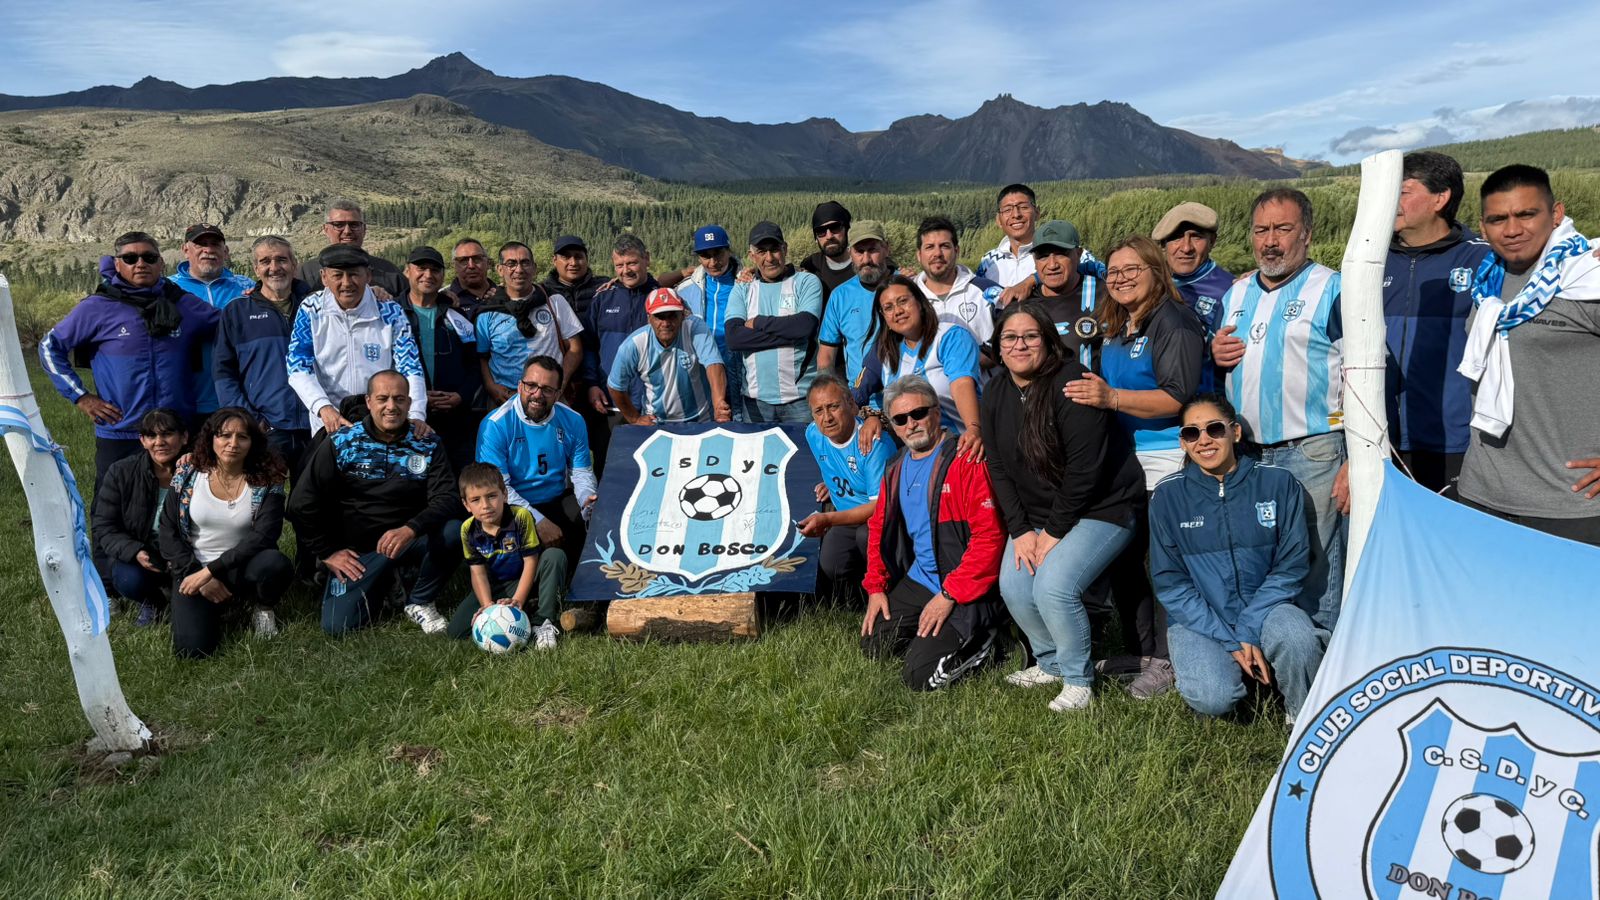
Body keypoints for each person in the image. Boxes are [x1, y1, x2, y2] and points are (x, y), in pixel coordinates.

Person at [1063, 234, 1206, 698]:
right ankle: (1141, 651)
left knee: (1164, 562)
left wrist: (1111, 398)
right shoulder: (1119, 324)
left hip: (1167, 458)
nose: (1121, 279)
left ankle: (1170, 659)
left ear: (1155, 271)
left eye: (1132, 269)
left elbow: (1178, 395)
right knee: (1126, 560)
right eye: (1114, 272)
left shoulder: (1174, 320)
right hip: (1125, 460)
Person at [983, 302, 1144, 711]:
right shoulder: (996, 390)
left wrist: (1051, 534)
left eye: (1030, 336)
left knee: (1053, 586)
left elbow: (1085, 472)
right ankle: (1050, 662)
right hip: (1038, 516)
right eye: (1010, 337)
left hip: (1102, 508)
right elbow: (997, 465)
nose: (1020, 345)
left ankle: (1077, 680)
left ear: (1048, 341)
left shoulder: (1070, 381)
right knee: (1015, 585)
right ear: (998, 346)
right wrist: (1021, 530)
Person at [1211, 188, 1347, 631]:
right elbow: (1220, 363)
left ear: (1306, 234)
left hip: (1313, 450)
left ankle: (1321, 654)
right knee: (1257, 557)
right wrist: (1214, 354)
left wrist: (1358, 458)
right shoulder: (1235, 294)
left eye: (1283, 229)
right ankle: (1270, 647)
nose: (1270, 241)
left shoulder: (1333, 289)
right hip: (1247, 454)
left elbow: (1363, 376)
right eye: (1261, 230)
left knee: (1317, 563)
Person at [1149, 394, 1327, 723]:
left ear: (1235, 432)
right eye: (1192, 433)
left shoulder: (1278, 482)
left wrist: (1247, 627)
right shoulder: (1167, 496)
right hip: (1201, 618)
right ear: (1183, 442)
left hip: (1269, 608)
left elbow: (1291, 566)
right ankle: (1236, 677)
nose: (1204, 440)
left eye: (1214, 429)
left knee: (1298, 641)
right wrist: (1229, 639)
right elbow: (1171, 583)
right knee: (1213, 696)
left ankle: (1301, 720)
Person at [1457, 165, 1600, 546]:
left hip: (1570, 504)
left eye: (1526, 214)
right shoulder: (1486, 284)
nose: (1512, 229)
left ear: (1556, 214)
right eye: (1497, 219)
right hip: (1481, 494)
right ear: (1483, 227)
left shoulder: (1586, 277)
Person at [39, 231, 219, 500]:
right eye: (130, 258)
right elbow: (49, 347)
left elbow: (232, 326)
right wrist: (81, 397)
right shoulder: (97, 307)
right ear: (117, 264)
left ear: (161, 263)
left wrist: (258, 300)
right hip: (121, 431)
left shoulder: (183, 303)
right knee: (113, 507)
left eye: (149, 257)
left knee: (181, 507)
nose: (140, 263)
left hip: (176, 434)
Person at [288, 370, 462, 636]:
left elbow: (448, 498)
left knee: (455, 531)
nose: (391, 406)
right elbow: (301, 503)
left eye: (399, 399)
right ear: (369, 402)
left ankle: (420, 600)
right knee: (338, 626)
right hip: (358, 553)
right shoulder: (342, 442)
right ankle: (389, 581)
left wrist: (411, 528)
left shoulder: (426, 442)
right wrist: (328, 552)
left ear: (409, 402)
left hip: (409, 540)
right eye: (382, 399)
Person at [862, 375, 1005, 692]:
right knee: (874, 646)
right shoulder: (895, 467)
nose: (911, 424)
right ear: (893, 426)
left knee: (920, 677)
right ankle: (931, 639)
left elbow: (989, 539)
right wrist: (876, 588)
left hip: (964, 586)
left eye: (918, 413)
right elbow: (877, 529)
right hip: (923, 578)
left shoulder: (966, 458)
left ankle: (990, 639)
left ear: (937, 412)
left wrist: (949, 595)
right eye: (900, 419)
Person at [1385, 151, 1492, 494]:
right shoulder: (1372, 260)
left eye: (1403, 191)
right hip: (1381, 441)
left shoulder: (1483, 259)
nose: (1391, 202)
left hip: (1455, 443)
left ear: (1440, 198)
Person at [158, 408, 295, 658]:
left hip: (243, 565)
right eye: (224, 435)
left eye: (242, 437)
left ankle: (262, 607)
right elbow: (167, 530)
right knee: (193, 650)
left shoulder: (269, 479)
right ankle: (215, 606)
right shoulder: (188, 473)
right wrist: (197, 573)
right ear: (211, 438)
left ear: (253, 442)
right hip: (193, 567)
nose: (233, 444)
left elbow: (265, 536)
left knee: (275, 563)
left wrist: (211, 572)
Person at [287, 244, 430, 437]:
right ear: (324, 277)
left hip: (381, 422)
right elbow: (297, 366)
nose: (346, 283)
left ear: (368, 275)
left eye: (354, 274)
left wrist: (416, 414)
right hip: (330, 422)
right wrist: (322, 407)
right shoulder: (310, 309)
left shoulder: (390, 311)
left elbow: (410, 366)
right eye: (337, 275)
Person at [214, 235, 315, 479]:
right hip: (266, 428)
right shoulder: (237, 311)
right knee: (262, 497)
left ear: (294, 264)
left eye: (282, 260)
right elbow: (223, 372)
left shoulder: (317, 307)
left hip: (315, 424)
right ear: (255, 269)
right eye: (265, 261)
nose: (274, 267)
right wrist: (248, 419)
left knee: (312, 499)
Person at [477, 355, 599, 556]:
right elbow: (497, 489)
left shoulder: (573, 420)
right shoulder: (495, 425)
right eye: (531, 386)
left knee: (591, 518)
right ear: (519, 386)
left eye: (547, 389)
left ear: (557, 394)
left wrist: (587, 500)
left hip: (555, 499)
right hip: (511, 507)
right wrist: (537, 520)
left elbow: (581, 472)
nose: (537, 394)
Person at [448, 463, 566, 650]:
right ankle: (527, 607)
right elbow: (477, 573)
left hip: (529, 577)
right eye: (476, 500)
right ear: (466, 505)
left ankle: (543, 621)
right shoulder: (467, 529)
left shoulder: (520, 516)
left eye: (491, 496)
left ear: (505, 494)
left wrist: (517, 600)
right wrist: (488, 607)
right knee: (456, 632)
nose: (485, 505)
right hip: (498, 586)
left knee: (554, 556)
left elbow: (531, 562)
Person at [800, 374, 895, 599]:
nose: (827, 418)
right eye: (818, 411)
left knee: (865, 537)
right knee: (832, 564)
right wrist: (831, 482)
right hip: (846, 517)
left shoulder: (873, 443)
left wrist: (828, 519)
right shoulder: (813, 433)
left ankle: (889, 593)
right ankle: (858, 602)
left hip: (883, 518)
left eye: (833, 407)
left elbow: (878, 506)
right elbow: (832, 462)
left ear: (851, 404)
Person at [91, 409, 187, 627]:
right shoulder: (121, 472)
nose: (159, 442)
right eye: (151, 436)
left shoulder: (199, 472)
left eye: (167, 434)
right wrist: (135, 551)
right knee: (129, 579)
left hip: (185, 556)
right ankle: (152, 601)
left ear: (184, 437)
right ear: (142, 441)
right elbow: (104, 525)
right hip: (143, 556)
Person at [873, 275, 983, 458]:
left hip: (965, 447)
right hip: (922, 455)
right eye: (888, 308)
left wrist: (973, 428)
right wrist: (872, 417)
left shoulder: (950, 336)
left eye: (903, 301)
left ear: (920, 303)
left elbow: (962, 384)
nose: (897, 311)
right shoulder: (889, 358)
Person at [724, 222, 824, 423]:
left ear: (785, 248)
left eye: (774, 249)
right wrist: (791, 335)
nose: (769, 258)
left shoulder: (806, 282)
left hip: (801, 399)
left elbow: (805, 326)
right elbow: (734, 338)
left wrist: (758, 322)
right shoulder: (743, 289)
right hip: (755, 401)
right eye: (762, 251)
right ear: (752, 256)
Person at [398, 246, 480, 471]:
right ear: (407, 271)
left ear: (443, 276)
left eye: (435, 270)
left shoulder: (456, 316)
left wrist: (461, 396)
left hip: (455, 421)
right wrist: (417, 397)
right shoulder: (391, 313)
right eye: (421, 268)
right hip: (406, 419)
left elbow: (474, 364)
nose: (428, 275)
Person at [476, 241, 585, 407]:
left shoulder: (554, 301)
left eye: (525, 263)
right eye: (511, 263)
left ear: (534, 268)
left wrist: (560, 383)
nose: (519, 269)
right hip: (505, 399)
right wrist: (491, 386)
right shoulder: (487, 312)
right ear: (500, 269)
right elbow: (482, 357)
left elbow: (575, 348)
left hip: (550, 397)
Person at [542, 234, 620, 461]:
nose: (573, 262)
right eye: (566, 257)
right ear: (554, 260)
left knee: (606, 451)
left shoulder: (605, 288)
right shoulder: (542, 293)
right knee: (563, 452)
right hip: (562, 386)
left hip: (599, 383)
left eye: (578, 256)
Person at [607, 287, 731, 424]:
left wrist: (719, 403)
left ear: (682, 315)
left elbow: (713, 363)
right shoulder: (634, 344)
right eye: (659, 317)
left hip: (701, 420)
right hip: (657, 423)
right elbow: (615, 385)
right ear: (649, 318)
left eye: (672, 315)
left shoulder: (694, 328)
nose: (665, 323)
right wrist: (634, 418)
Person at [171, 223, 254, 417]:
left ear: (225, 251)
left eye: (215, 244)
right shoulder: (168, 288)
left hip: (238, 399)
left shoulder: (246, 287)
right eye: (200, 244)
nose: (208, 250)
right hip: (185, 401)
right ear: (185, 250)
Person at [581, 234, 659, 420]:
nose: (625, 271)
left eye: (632, 263)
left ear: (646, 259)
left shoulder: (662, 298)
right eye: (619, 265)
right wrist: (592, 384)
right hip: (610, 401)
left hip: (653, 403)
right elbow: (589, 347)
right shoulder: (603, 298)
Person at [817, 221, 891, 403]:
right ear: (850, 253)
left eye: (872, 250)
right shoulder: (840, 296)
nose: (866, 259)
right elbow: (827, 355)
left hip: (905, 399)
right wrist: (829, 396)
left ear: (886, 249)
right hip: (860, 401)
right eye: (859, 252)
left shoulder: (906, 288)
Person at [676, 225, 746, 420]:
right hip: (702, 374)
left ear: (729, 251)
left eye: (718, 254)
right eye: (706, 256)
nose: (713, 262)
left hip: (742, 373)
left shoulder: (747, 283)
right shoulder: (685, 290)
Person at [913, 216, 1001, 350]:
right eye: (929, 247)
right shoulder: (907, 296)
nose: (937, 253)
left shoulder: (987, 291)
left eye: (944, 246)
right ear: (919, 255)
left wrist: (983, 356)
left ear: (956, 251)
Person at [1023, 220, 1101, 369]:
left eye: (1061, 254)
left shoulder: (1105, 294)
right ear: (1034, 260)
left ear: (1078, 254)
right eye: (1043, 256)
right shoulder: (1024, 304)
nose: (1052, 265)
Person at [296, 199, 406, 298]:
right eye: (339, 225)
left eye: (354, 225)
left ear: (364, 229)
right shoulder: (306, 272)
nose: (347, 231)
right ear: (326, 230)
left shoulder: (390, 272)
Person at [1153, 202, 1234, 327]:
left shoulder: (1232, 291)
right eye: (1177, 237)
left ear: (1212, 242)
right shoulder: (1149, 284)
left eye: (1196, 237)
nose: (1186, 248)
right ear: (1163, 244)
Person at [977, 183, 1040, 308]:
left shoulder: (1055, 252)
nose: (1016, 215)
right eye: (1007, 210)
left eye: (1023, 207)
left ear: (1037, 212)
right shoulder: (988, 261)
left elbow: (1079, 269)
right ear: (998, 220)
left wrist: (1032, 280)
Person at [798, 200, 857, 300]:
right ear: (816, 238)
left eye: (835, 227)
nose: (829, 236)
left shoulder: (863, 263)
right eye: (821, 231)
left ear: (847, 230)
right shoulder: (811, 265)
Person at [445, 238, 496, 319]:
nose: (471, 266)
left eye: (477, 259)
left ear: (487, 262)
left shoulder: (503, 295)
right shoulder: (445, 301)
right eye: (464, 261)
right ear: (454, 265)